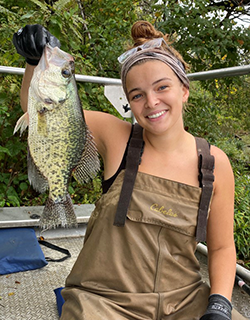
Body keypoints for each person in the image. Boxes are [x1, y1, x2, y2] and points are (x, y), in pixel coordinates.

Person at [13, 21, 246, 320]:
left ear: (184, 89)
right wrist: (36, 61)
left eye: (162, 87)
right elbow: (41, 113)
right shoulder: (116, 137)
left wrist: (220, 305)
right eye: (137, 95)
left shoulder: (214, 163)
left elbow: (223, 247)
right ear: (129, 103)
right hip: (103, 301)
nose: (151, 102)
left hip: (183, 300)